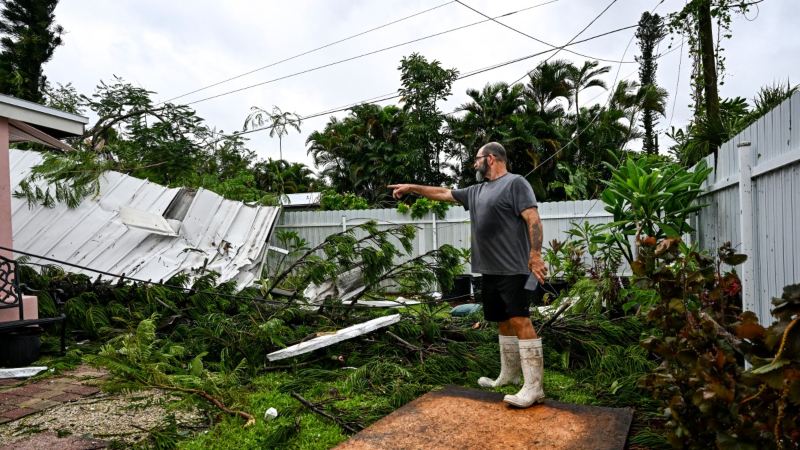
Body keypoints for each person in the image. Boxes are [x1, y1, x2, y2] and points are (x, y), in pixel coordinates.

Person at [388, 142, 547, 408]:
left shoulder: (515, 183)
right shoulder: (476, 191)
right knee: (502, 321)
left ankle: (534, 387)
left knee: (520, 320)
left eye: (477, 159)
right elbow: (442, 192)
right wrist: (412, 188)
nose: (474, 164)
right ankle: (508, 375)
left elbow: (533, 219)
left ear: (492, 158)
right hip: (490, 269)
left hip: (515, 268)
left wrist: (536, 255)